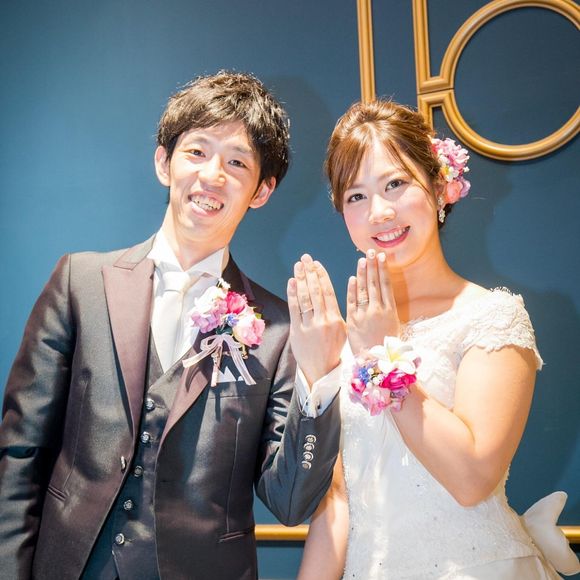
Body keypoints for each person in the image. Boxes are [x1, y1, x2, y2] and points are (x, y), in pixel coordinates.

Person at [0, 71, 342, 580]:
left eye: (237, 163)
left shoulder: (276, 330)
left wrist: (318, 378)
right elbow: (20, 455)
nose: (213, 175)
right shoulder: (80, 282)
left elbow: (290, 502)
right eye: (197, 152)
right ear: (164, 162)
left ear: (262, 190)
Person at [292, 100, 580, 579]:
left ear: (440, 186)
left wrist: (381, 357)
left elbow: (471, 479)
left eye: (395, 184)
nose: (379, 212)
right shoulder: (345, 337)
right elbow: (338, 505)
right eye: (356, 196)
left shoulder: (490, 316)